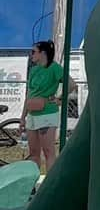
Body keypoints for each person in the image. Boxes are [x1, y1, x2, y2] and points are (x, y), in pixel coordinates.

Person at [19, 41, 76, 174]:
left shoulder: (54, 68)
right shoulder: (34, 70)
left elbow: (71, 84)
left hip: (47, 114)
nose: (31, 54)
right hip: (32, 114)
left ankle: (49, 185)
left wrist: (59, 99)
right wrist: (23, 117)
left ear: (43, 53)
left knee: (48, 151)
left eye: (34, 52)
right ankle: (32, 184)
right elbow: (29, 94)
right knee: (33, 152)